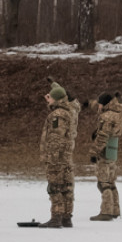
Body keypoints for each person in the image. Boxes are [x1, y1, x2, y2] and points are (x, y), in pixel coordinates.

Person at [38, 84, 76, 228]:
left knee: (55, 186)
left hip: (57, 157)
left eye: (50, 97)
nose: (48, 100)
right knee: (66, 187)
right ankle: (66, 216)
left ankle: (56, 216)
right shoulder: (68, 111)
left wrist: (52, 158)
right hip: (65, 156)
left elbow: (55, 137)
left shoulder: (57, 115)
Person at [88, 92, 122, 221]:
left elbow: (102, 136)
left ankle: (106, 211)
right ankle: (115, 210)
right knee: (111, 182)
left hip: (104, 153)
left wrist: (94, 152)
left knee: (103, 183)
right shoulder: (118, 113)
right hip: (112, 151)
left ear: (103, 104)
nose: (97, 106)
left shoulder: (107, 116)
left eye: (99, 104)